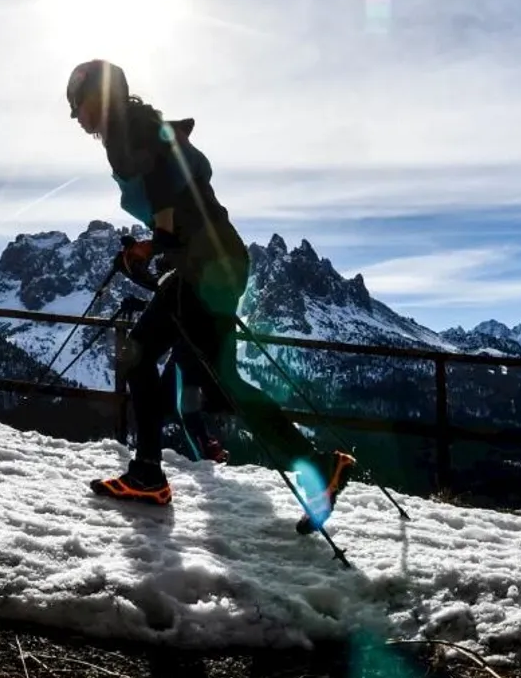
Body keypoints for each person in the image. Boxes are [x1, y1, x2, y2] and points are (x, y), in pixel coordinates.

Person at [66, 58, 354, 528]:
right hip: (220, 260)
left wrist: (154, 244)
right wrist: (157, 247)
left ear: (94, 96)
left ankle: (147, 476)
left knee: (138, 354)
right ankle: (319, 466)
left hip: (204, 264)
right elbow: (180, 193)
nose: (76, 118)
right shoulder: (146, 125)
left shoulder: (123, 132)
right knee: (224, 382)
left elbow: (164, 196)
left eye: (76, 106)